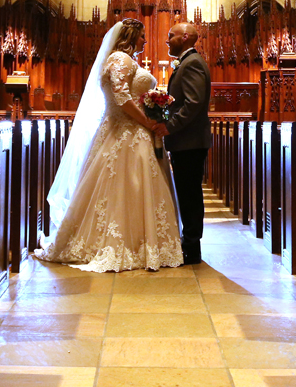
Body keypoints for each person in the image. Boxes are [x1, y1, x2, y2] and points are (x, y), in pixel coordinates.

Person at [34, 18, 183, 272]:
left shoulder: (119, 59)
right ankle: (130, 244)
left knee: (129, 187)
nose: (145, 40)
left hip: (123, 130)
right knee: (128, 185)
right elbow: (123, 97)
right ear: (131, 36)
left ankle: (138, 242)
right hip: (128, 131)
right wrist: (147, 121)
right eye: (142, 36)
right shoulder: (122, 60)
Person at [153, 22, 211, 265]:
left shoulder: (193, 63)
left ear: (185, 37)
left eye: (171, 36)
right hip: (185, 141)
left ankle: (192, 248)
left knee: (190, 194)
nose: (167, 40)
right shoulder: (187, 62)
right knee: (187, 193)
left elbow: (193, 103)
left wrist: (169, 125)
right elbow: (181, 103)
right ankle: (189, 243)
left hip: (189, 141)